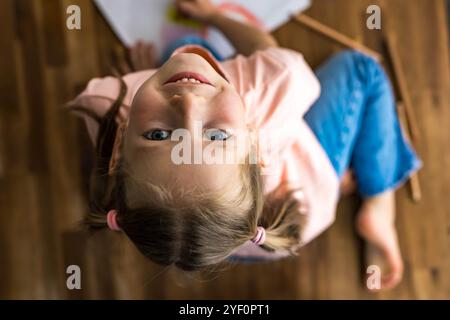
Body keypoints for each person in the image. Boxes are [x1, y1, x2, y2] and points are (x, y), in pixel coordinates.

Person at [66, 0, 421, 290]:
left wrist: (144, 78)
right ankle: (379, 205)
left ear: (118, 152)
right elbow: (264, 49)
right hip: (306, 196)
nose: (188, 102)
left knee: (179, 51)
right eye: (217, 137)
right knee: (363, 69)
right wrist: (214, 16)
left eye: (159, 135)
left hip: (223, 243)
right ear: (254, 140)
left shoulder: (105, 103)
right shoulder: (268, 90)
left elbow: (191, 220)